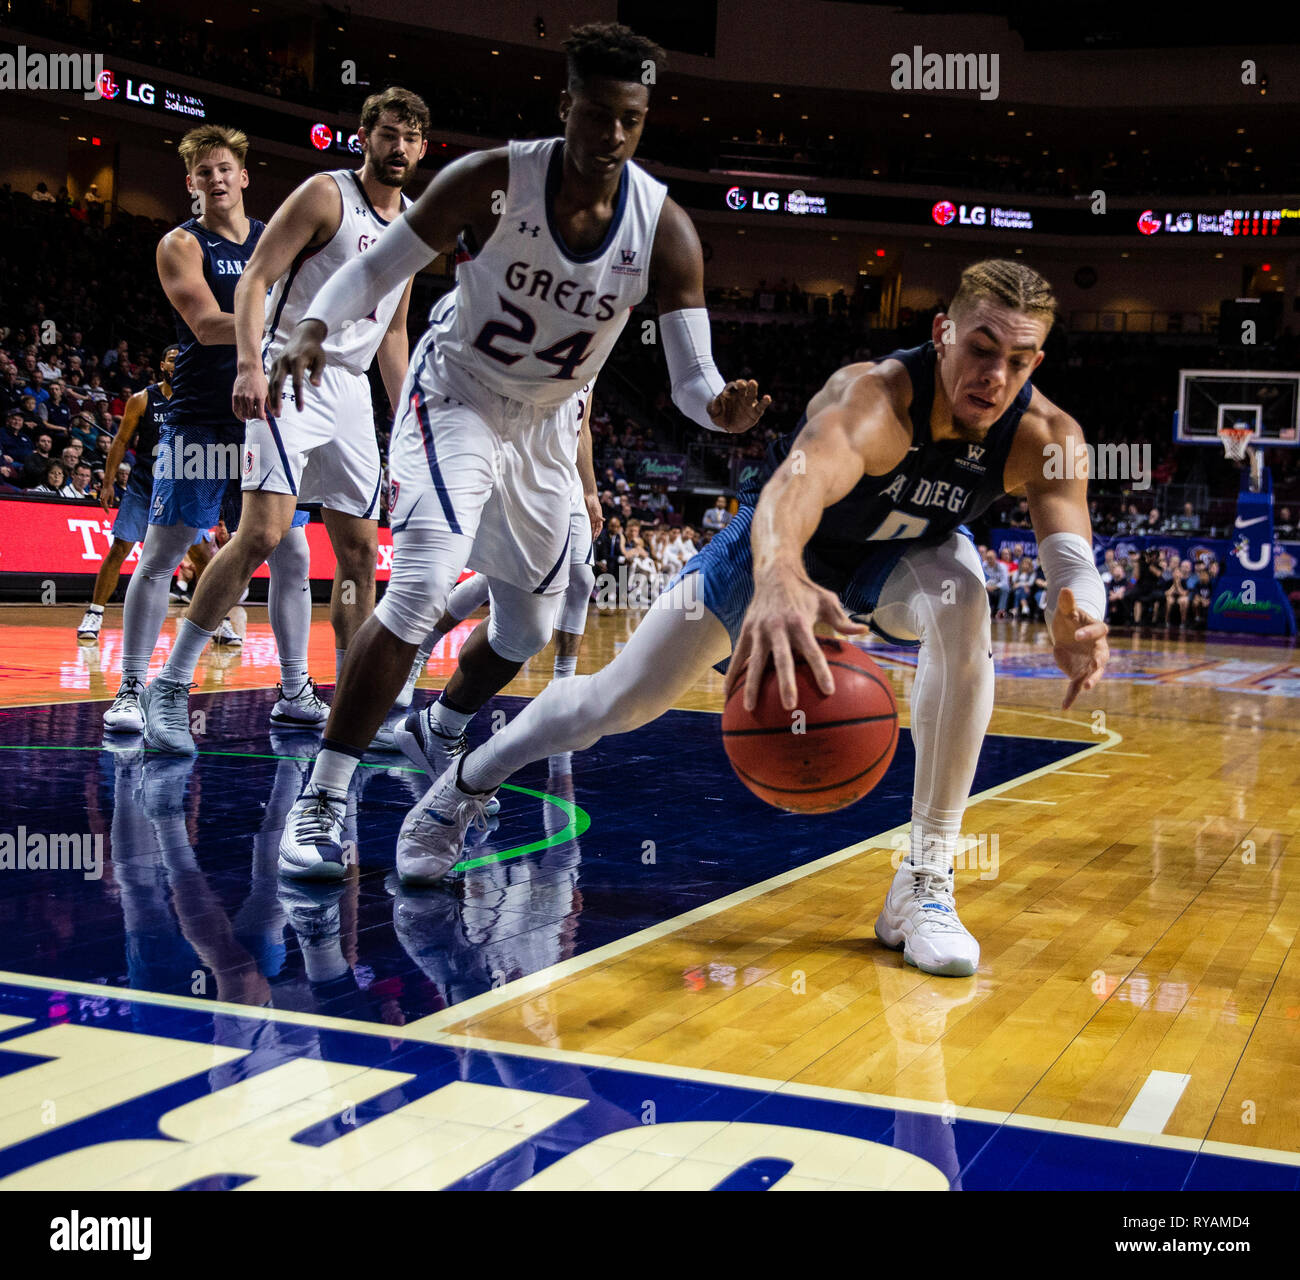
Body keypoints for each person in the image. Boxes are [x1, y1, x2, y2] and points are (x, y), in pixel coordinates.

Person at [397, 259, 1110, 980]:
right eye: (981, 348)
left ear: (1037, 361)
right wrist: (778, 578)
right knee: (621, 700)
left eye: (1017, 360)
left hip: (898, 566)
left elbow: (1071, 555)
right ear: (942, 333)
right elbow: (793, 494)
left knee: (965, 595)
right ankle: (466, 781)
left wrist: (1078, 613)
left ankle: (924, 879)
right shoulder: (875, 399)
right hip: (771, 545)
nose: (994, 374)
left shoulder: (1045, 434)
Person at [274, 22, 769, 879]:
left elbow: (693, 379)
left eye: (633, 119)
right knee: (424, 581)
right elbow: (379, 270)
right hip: (457, 392)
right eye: (599, 113)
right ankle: (324, 795)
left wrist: (719, 410)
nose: (613, 135)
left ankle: (444, 726)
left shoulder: (665, 229)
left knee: (529, 626)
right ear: (566, 105)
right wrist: (317, 321)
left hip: (546, 426)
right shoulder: (491, 181)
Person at [136, 89, 429, 753]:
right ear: (364, 136)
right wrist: (249, 364)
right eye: (388, 134)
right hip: (292, 368)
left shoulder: (414, 224)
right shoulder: (325, 195)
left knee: (358, 554)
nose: (399, 148)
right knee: (263, 533)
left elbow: (394, 332)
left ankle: (352, 710)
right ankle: (170, 686)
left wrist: (409, 424)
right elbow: (254, 280)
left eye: (411, 138)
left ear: (423, 147)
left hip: (353, 390)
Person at [102, 125, 313, 736]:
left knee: (292, 551)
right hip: (201, 417)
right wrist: (287, 330)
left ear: (244, 176)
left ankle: (295, 685)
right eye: (204, 172)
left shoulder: (278, 239)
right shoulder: (179, 244)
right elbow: (203, 324)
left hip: (269, 419)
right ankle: (132, 687)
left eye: (226, 169)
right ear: (191, 183)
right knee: (164, 551)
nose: (216, 180)